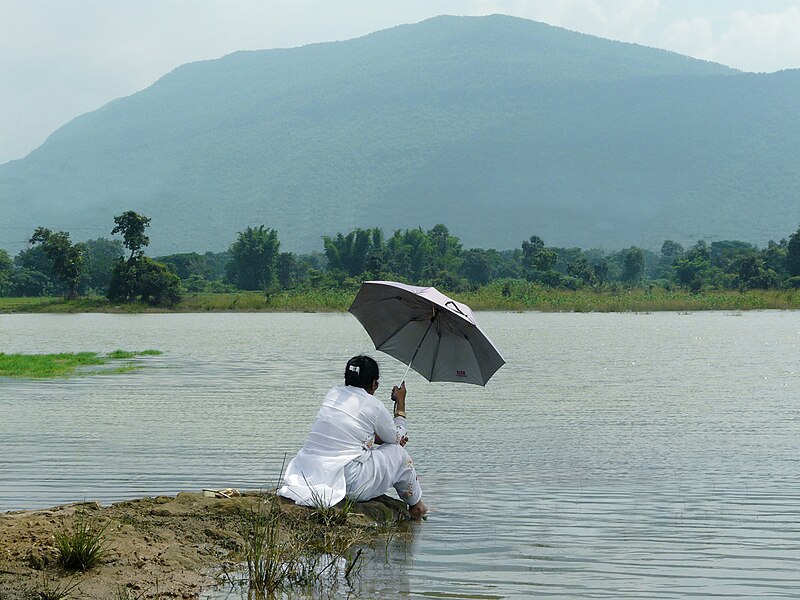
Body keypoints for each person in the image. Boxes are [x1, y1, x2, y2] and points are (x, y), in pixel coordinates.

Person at [278, 355, 427, 519]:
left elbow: (353, 433)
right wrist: (400, 402)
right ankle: (416, 506)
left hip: (308, 474)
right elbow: (397, 437)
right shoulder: (373, 405)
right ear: (374, 384)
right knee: (398, 453)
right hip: (348, 483)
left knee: (390, 447)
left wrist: (384, 438)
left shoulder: (333, 394)